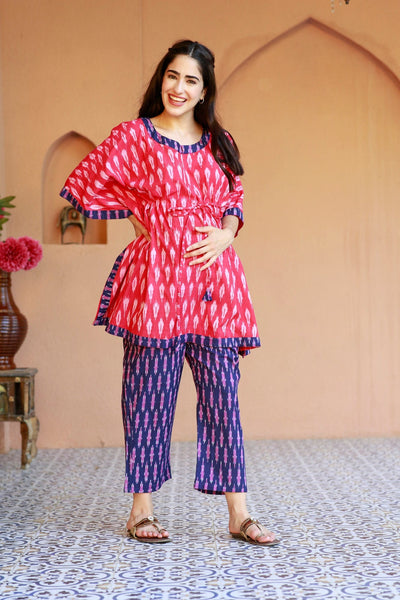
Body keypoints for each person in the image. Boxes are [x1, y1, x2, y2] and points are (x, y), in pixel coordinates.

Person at [61, 40, 278, 546]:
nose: (179, 88)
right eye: (173, 76)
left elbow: (235, 198)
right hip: (156, 282)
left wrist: (226, 234)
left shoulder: (219, 141)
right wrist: (135, 215)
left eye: (191, 80)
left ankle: (239, 513)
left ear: (204, 91)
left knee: (223, 396)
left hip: (212, 283)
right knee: (148, 395)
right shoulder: (135, 136)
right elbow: (88, 180)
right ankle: (141, 511)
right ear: (162, 78)